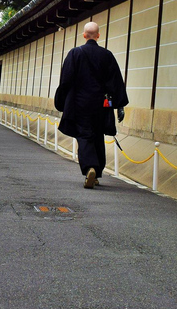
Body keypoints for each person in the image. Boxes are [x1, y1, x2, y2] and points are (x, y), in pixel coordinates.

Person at [54, 22, 128, 189]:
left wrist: (61, 101)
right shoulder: (107, 55)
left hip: (80, 103)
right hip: (101, 104)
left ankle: (90, 168)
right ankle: (97, 173)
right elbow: (115, 82)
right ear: (98, 36)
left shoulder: (75, 53)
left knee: (85, 135)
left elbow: (66, 80)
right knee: (97, 135)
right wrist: (119, 105)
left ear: (84, 35)